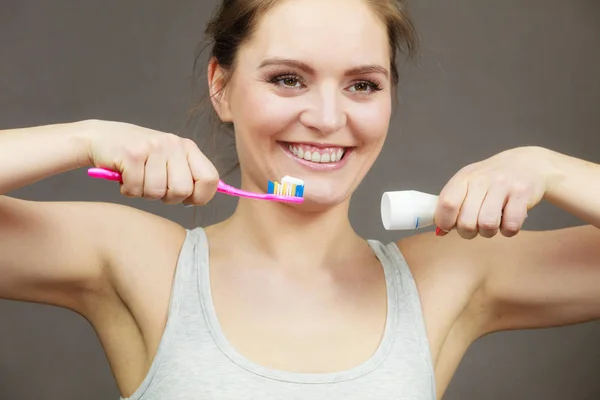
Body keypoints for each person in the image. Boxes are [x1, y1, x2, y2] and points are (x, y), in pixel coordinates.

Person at [1, 0, 599, 399]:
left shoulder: (449, 278)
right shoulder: (137, 261)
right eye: (288, 78)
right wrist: (85, 139)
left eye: (363, 85)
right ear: (222, 87)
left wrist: (549, 168)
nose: (328, 117)